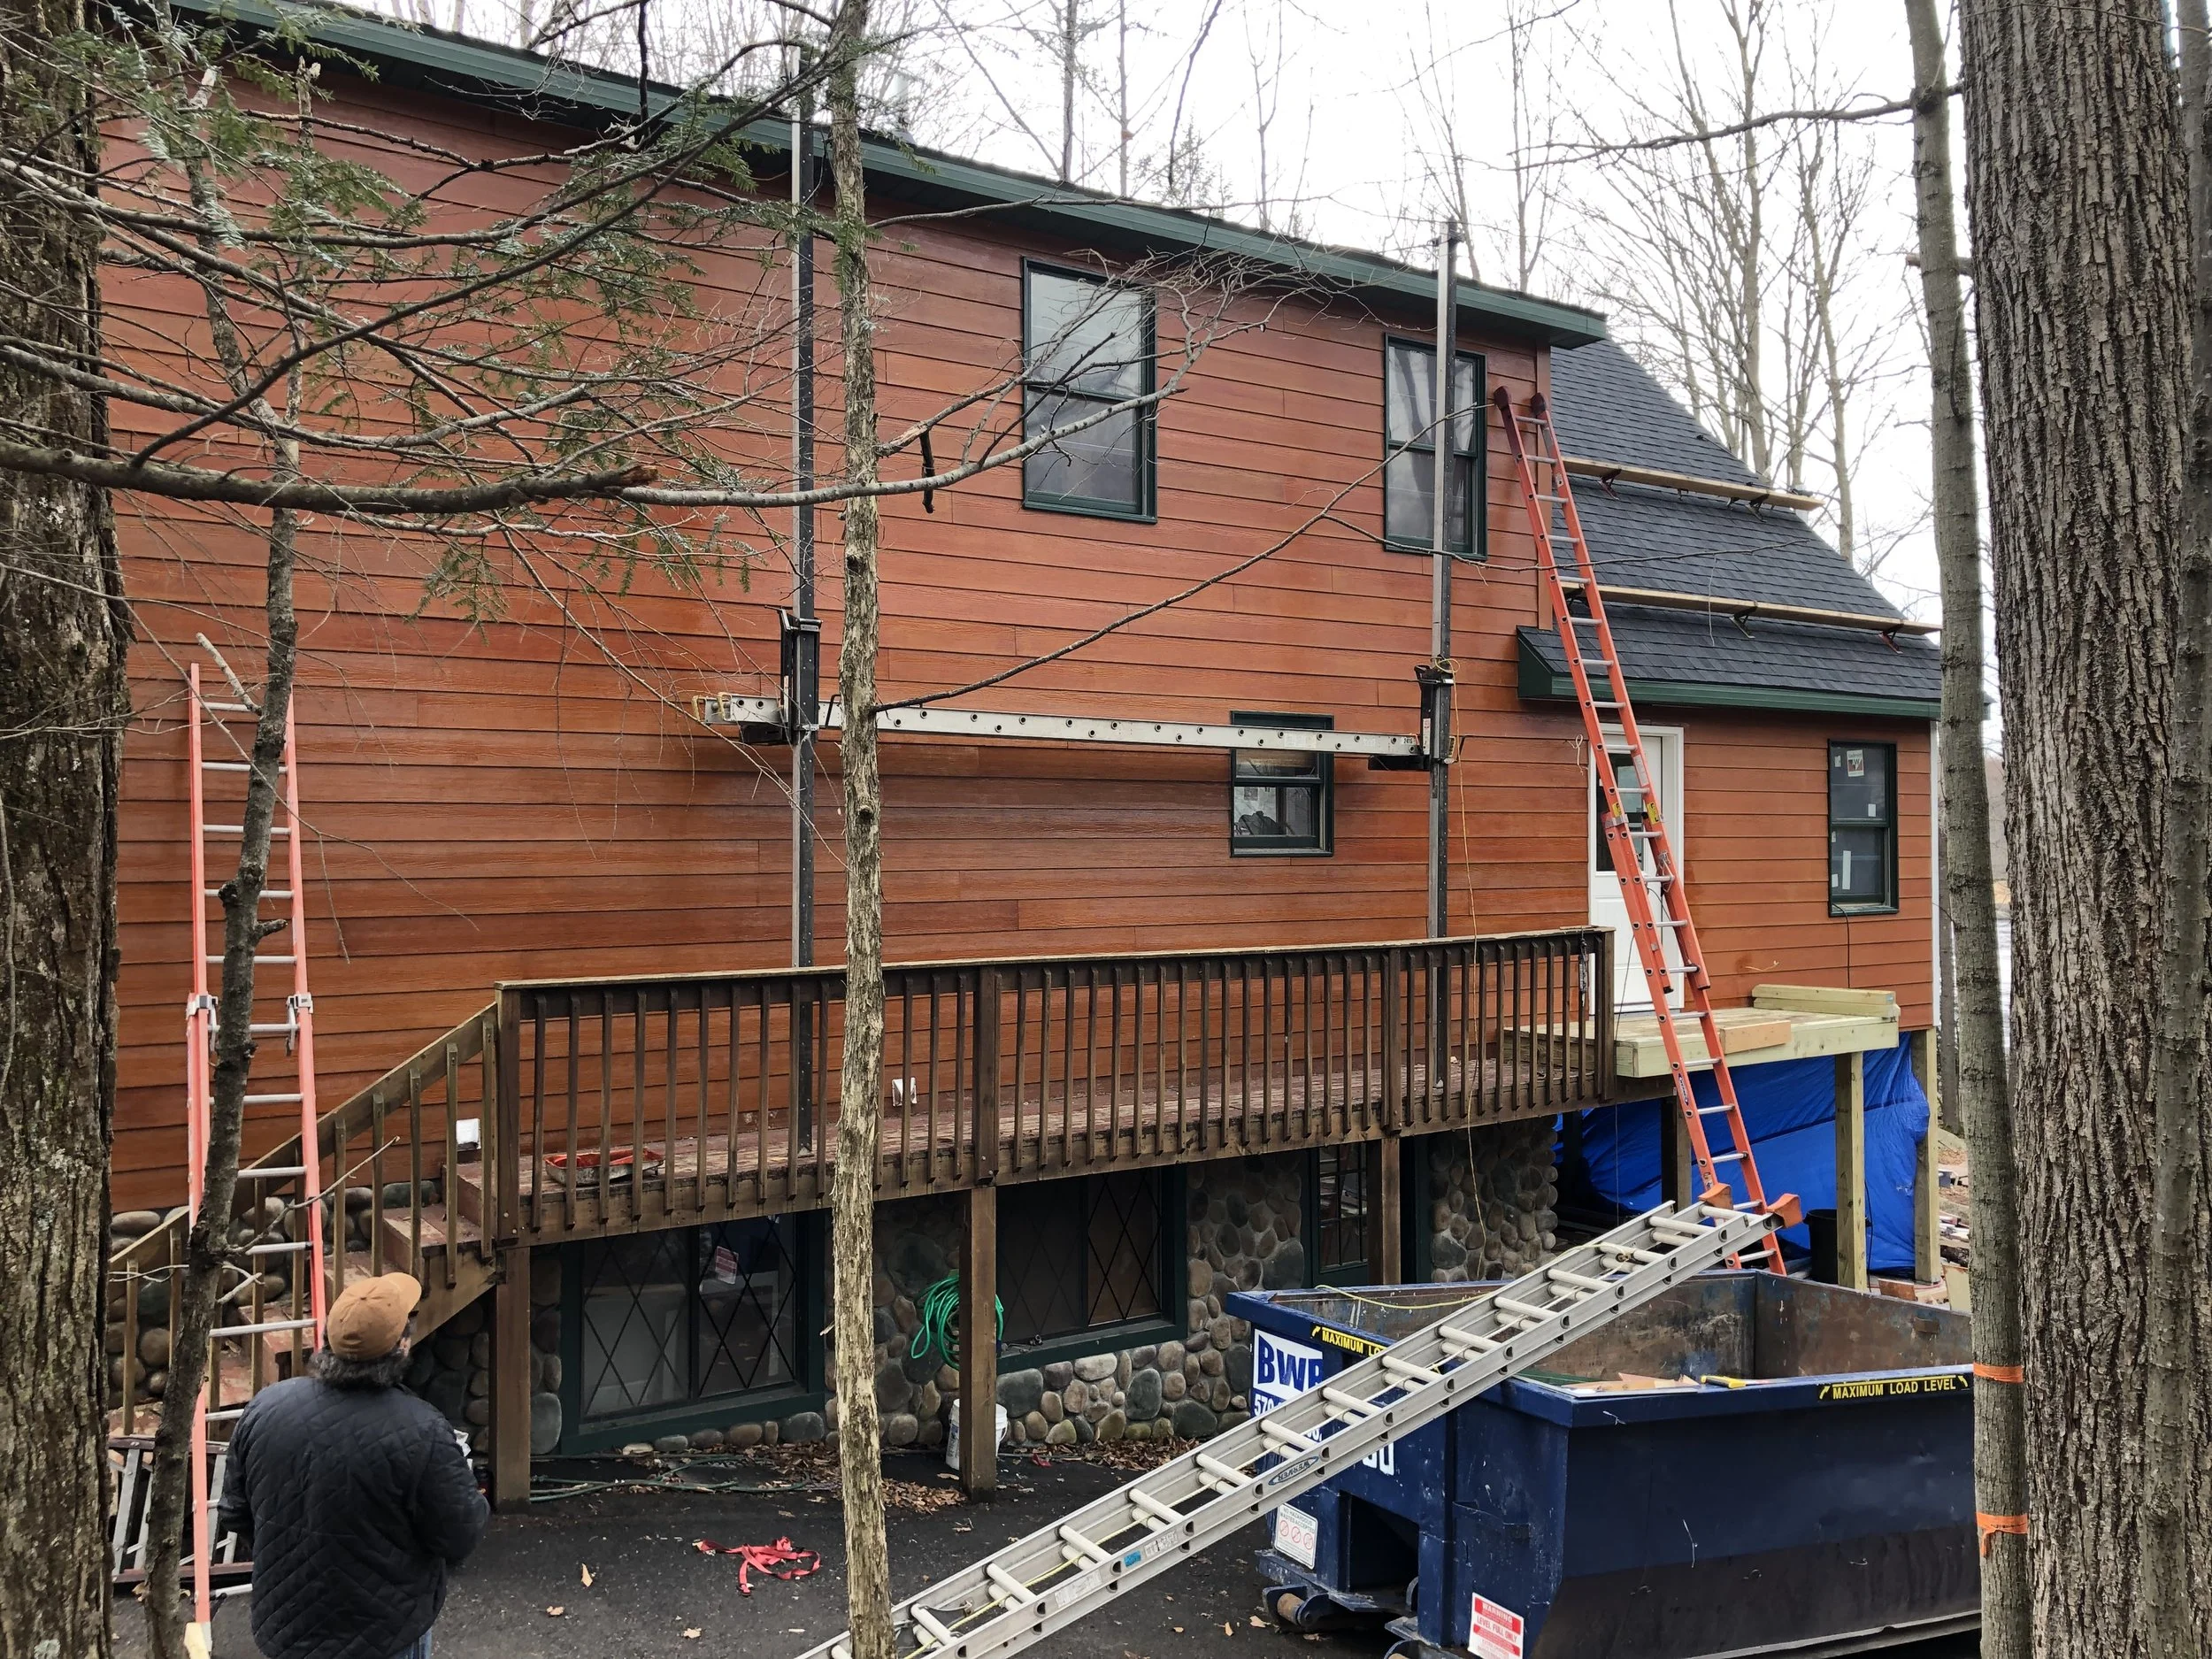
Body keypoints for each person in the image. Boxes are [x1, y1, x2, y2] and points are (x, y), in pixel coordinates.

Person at [218, 1272, 488, 1659]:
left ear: (328, 1341)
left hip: (288, 1624)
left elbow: (234, 1512)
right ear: (402, 1346)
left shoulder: (265, 1406)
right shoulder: (423, 1430)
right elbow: (460, 1535)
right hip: (386, 1633)